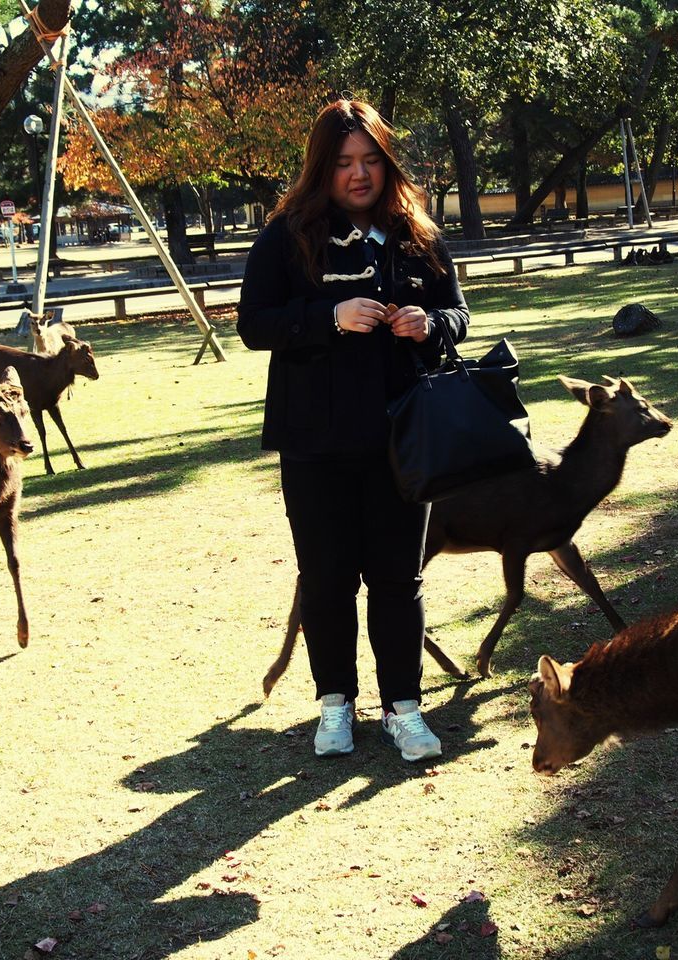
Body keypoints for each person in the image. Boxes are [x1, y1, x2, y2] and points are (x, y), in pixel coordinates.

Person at [237, 99, 470, 762]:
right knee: (327, 577)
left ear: (386, 162)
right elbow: (255, 325)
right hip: (315, 443)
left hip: (404, 440)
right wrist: (329, 316)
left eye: (370, 160)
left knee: (399, 578)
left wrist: (431, 325)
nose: (358, 175)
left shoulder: (417, 234)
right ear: (322, 167)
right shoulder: (288, 235)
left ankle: (404, 708)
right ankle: (335, 704)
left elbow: (458, 312)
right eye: (343, 163)